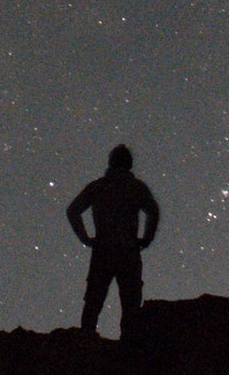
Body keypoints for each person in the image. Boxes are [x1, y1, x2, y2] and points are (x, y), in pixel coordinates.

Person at [66, 144, 160, 338]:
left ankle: (86, 341)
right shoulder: (136, 187)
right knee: (130, 302)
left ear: (111, 162)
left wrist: (85, 238)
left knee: (94, 299)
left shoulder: (99, 186)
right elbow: (153, 211)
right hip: (128, 249)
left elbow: (73, 210)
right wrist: (146, 238)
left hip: (103, 249)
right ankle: (128, 345)